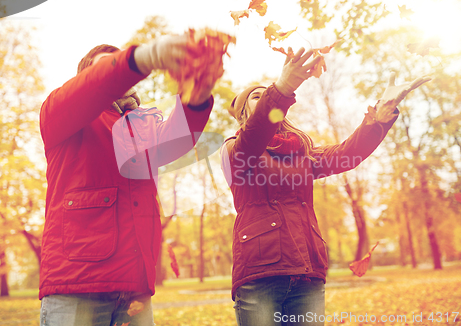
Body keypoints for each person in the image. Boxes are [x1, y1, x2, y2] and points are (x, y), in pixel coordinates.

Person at [220, 47, 430, 326]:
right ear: (243, 113)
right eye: (256, 97)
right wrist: (281, 88)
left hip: (308, 271)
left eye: (266, 95)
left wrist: (377, 120)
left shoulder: (301, 153)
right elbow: (255, 134)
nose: (263, 98)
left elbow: (346, 155)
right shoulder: (236, 150)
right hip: (260, 273)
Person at [39, 35, 219, 326]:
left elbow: (180, 136)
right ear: (86, 78)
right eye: (108, 69)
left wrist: (197, 91)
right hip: (78, 283)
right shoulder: (63, 112)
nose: (117, 77)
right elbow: (93, 87)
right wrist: (143, 57)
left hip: (135, 285)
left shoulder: (142, 128)